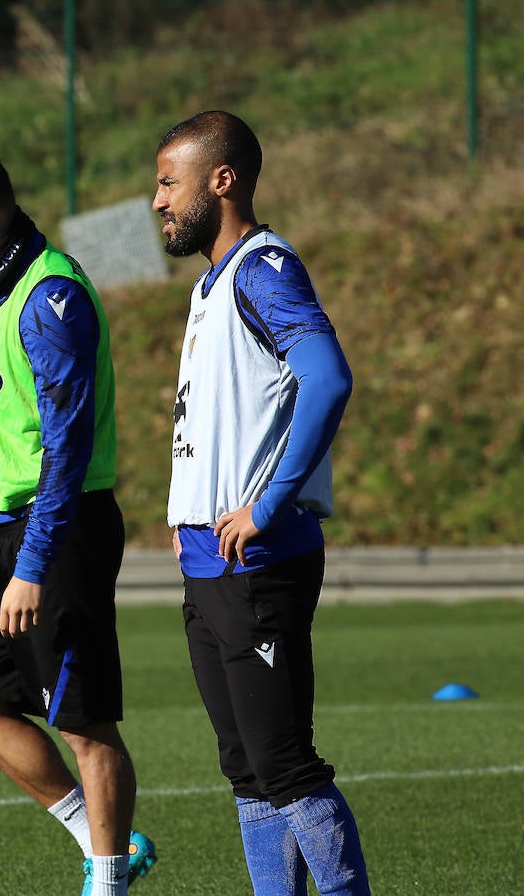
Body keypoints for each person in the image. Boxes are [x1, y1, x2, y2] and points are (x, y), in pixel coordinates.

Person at [0, 143, 157, 896]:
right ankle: (103, 842)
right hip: (2, 525)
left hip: (63, 530)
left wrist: (29, 567)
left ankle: (107, 883)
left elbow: (65, 451)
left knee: (83, 724)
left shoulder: (53, 300)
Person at [153, 110, 371, 895]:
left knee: (284, 765)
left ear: (223, 180)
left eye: (169, 182)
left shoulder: (262, 269)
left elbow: (329, 377)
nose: (157, 201)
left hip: (259, 562)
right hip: (209, 566)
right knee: (246, 771)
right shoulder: (214, 284)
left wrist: (267, 503)